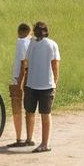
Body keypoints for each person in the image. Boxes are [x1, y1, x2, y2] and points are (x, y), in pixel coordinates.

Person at [23, 20, 60, 152]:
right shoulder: (51, 44)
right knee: (44, 114)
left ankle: (33, 140)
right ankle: (41, 142)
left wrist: (24, 80)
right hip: (44, 85)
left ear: (35, 32)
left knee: (31, 113)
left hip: (34, 84)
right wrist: (55, 83)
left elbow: (27, 64)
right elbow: (55, 66)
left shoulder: (33, 43)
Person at [8, 22, 31, 145]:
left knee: (16, 109)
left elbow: (23, 63)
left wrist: (19, 82)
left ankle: (18, 138)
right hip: (31, 78)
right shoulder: (32, 42)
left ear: (19, 32)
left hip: (19, 78)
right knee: (29, 109)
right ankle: (29, 138)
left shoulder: (21, 42)